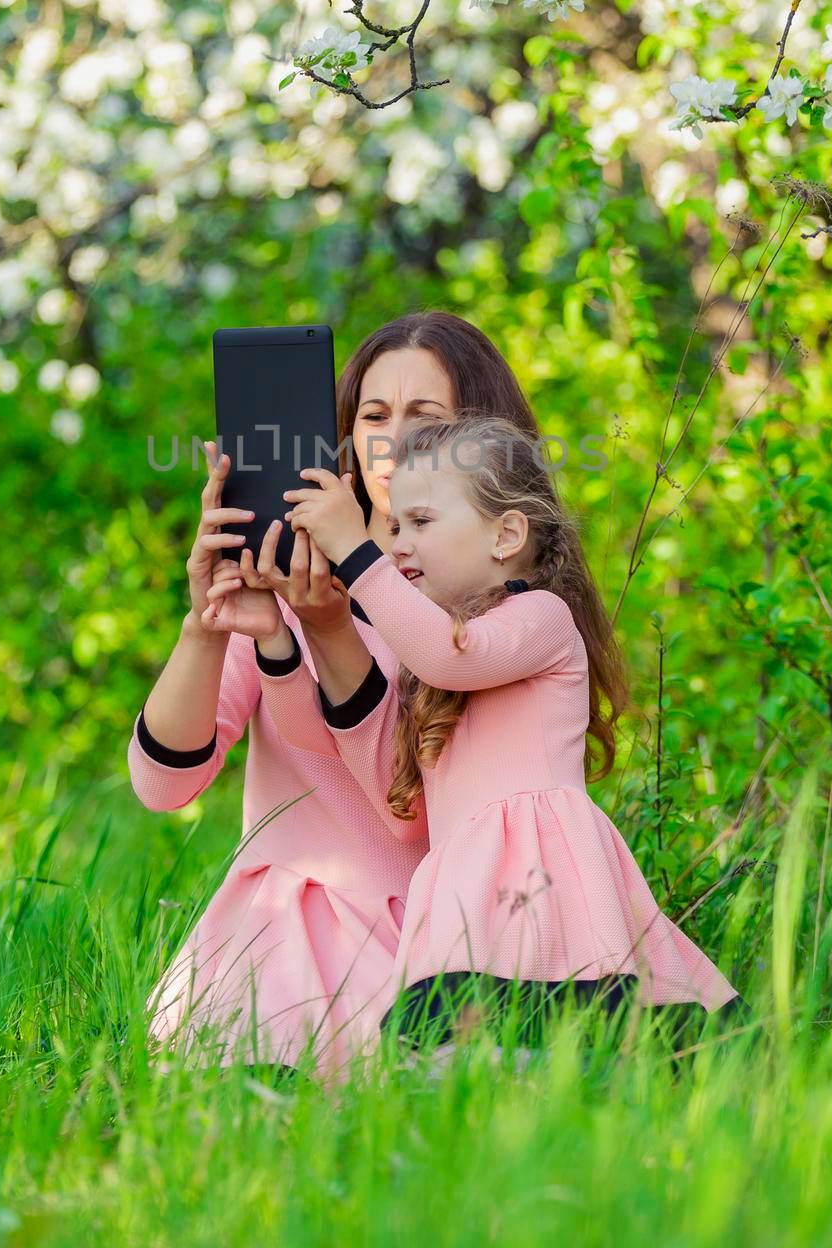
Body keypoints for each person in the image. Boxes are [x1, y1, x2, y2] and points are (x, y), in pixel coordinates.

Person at [210, 408, 745, 1055]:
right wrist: (277, 636)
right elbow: (353, 759)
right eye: (393, 525)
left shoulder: (538, 620)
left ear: (505, 535)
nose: (398, 543)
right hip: (468, 892)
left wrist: (356, 554)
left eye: (422, 522)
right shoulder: (426, 659)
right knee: (466, 1053)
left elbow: (452, 655)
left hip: (543, 883)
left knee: (576, 1035)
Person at [128, 313, 560, 1075]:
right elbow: (161, 785)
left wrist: (331, 625)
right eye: (372, 416)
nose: (392, 443)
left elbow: (410, 819)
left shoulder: (487, 613)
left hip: (439, 936)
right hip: (280, 931)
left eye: (425, 417)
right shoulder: (282, 583)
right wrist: (207, 625)